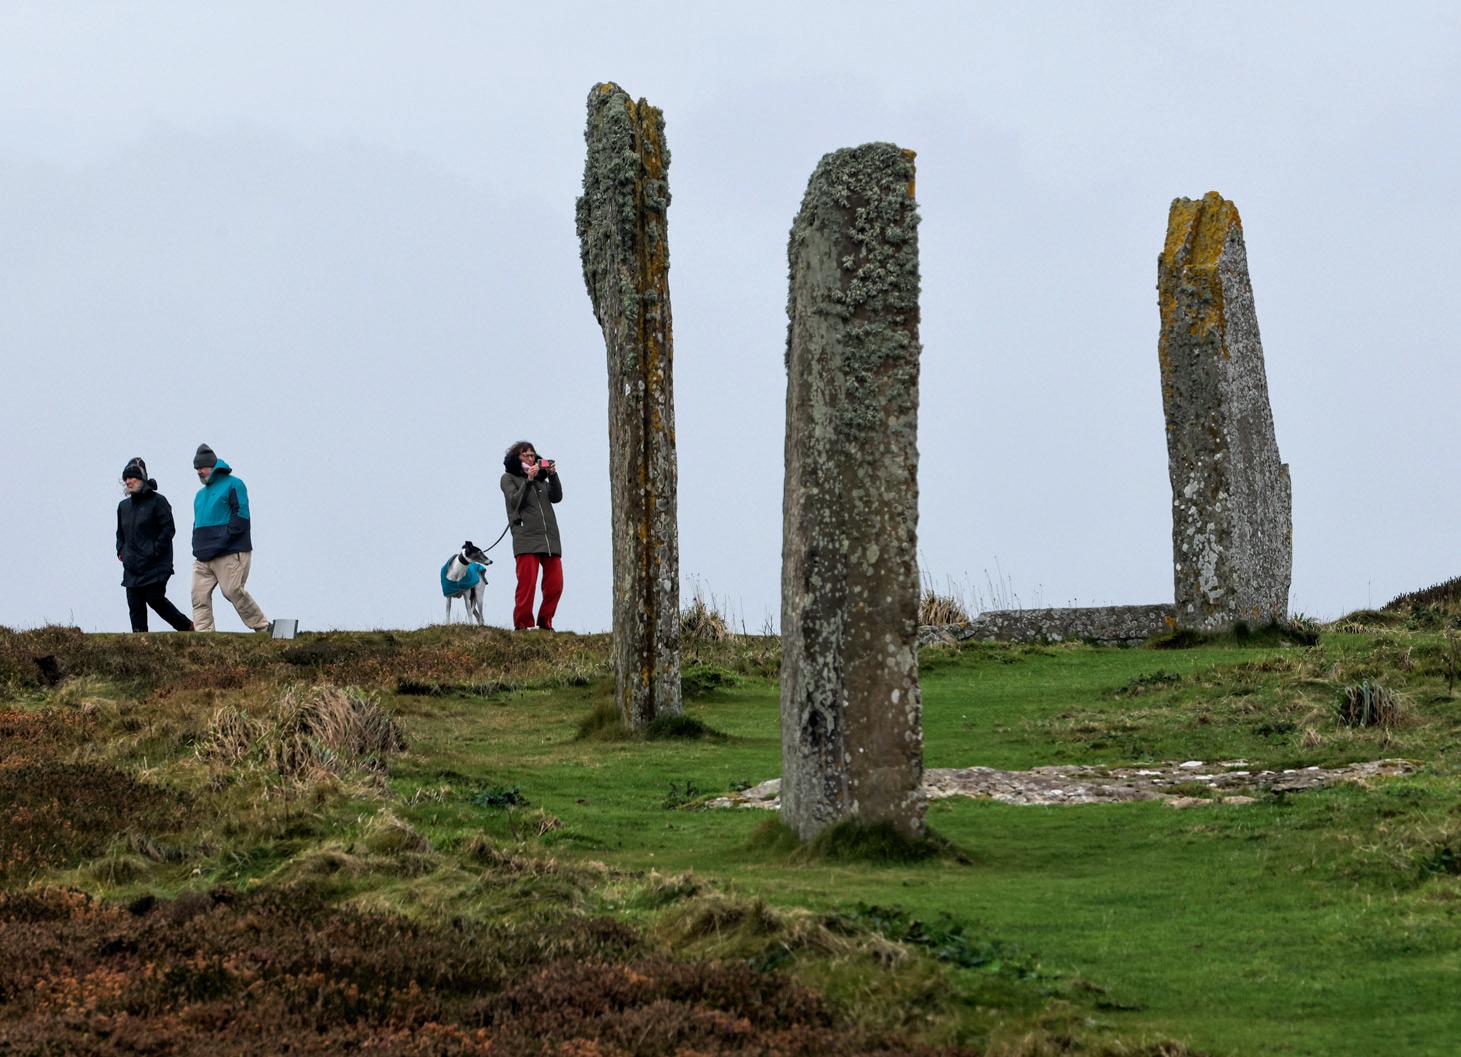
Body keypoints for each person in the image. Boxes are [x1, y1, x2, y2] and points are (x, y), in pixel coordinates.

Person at [190, 444, 270, 633]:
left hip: (229, 551)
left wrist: (224, 540)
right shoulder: (199, 495)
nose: (199, 471)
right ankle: (203, 636)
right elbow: (197, 523)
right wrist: (196, 544)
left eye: (202, 467)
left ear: (213, 466)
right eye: (196, 468)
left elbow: (241, 516)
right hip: (203, 556)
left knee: (232, 591)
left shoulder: (234, 484)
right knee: (198, 595)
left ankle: (263, 627)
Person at [115, 457, 193, 633]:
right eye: (126, 478)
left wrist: (153, 551)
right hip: (132, 567)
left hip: (155, 565)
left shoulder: (158, 501)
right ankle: (140, 643)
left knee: (155, 599)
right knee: (135, 606)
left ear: (142, 478)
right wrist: (121, 550)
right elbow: (120, 533)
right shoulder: (123, 506)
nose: (128, 481)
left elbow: (169, 530)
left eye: (132, 477)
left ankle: (187, 628)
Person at [501, 440, 563, 631]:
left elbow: (557, 497)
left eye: (532, 454)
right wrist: (528, 481)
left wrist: (553, 475)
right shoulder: (508, 478)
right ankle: (523, 624)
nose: (531, 457)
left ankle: (545, 623)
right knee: (527, 585)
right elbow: (515, 501)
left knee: (555, 585)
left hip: (550, 539)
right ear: (516, 458)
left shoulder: (541, 481)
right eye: (526, 454)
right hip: (526, 538)